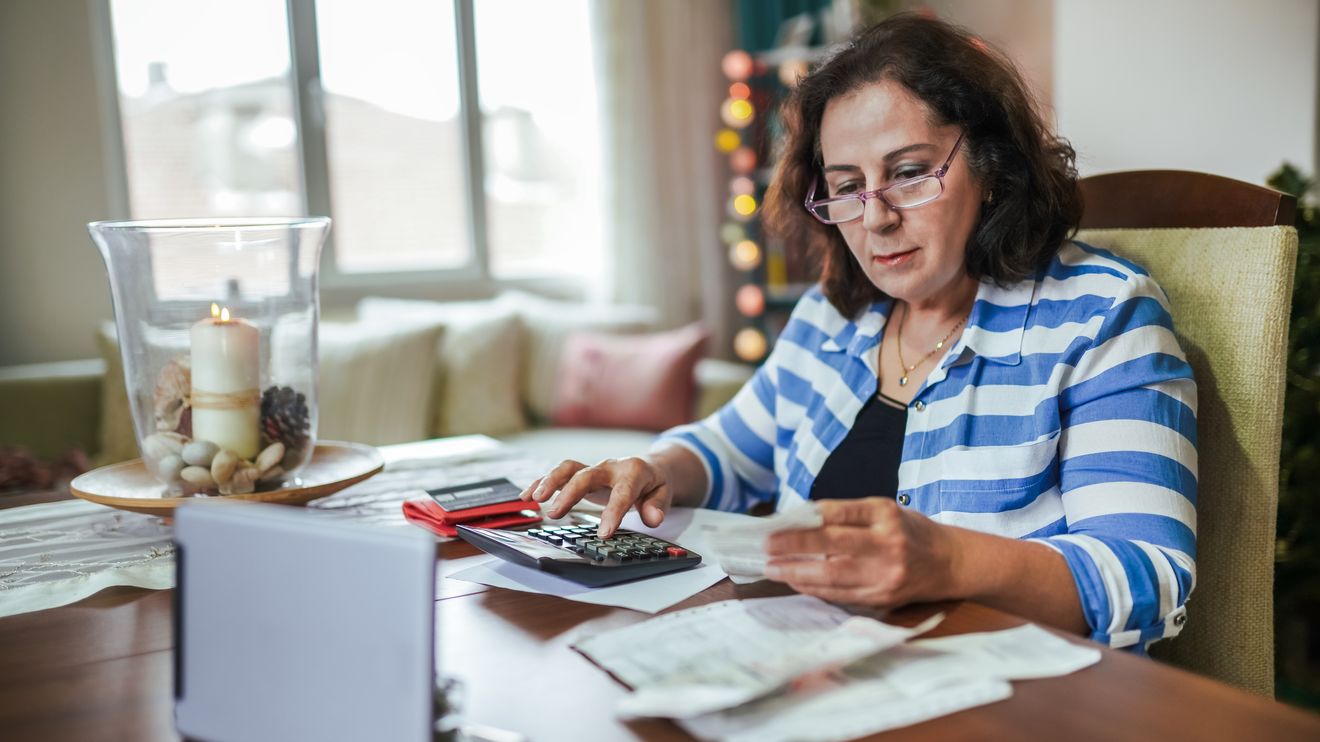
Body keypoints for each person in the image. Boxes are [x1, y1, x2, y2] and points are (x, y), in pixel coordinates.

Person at [520, 13, 1196, 651]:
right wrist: (655, 469)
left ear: (991, 166)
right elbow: (734, 446)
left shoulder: (1103, 317)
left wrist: (950, 560)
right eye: (847, 185)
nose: (875, 219)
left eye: (907, 173)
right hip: (817, 666)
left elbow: (1148, 574)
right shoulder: (835, 312)